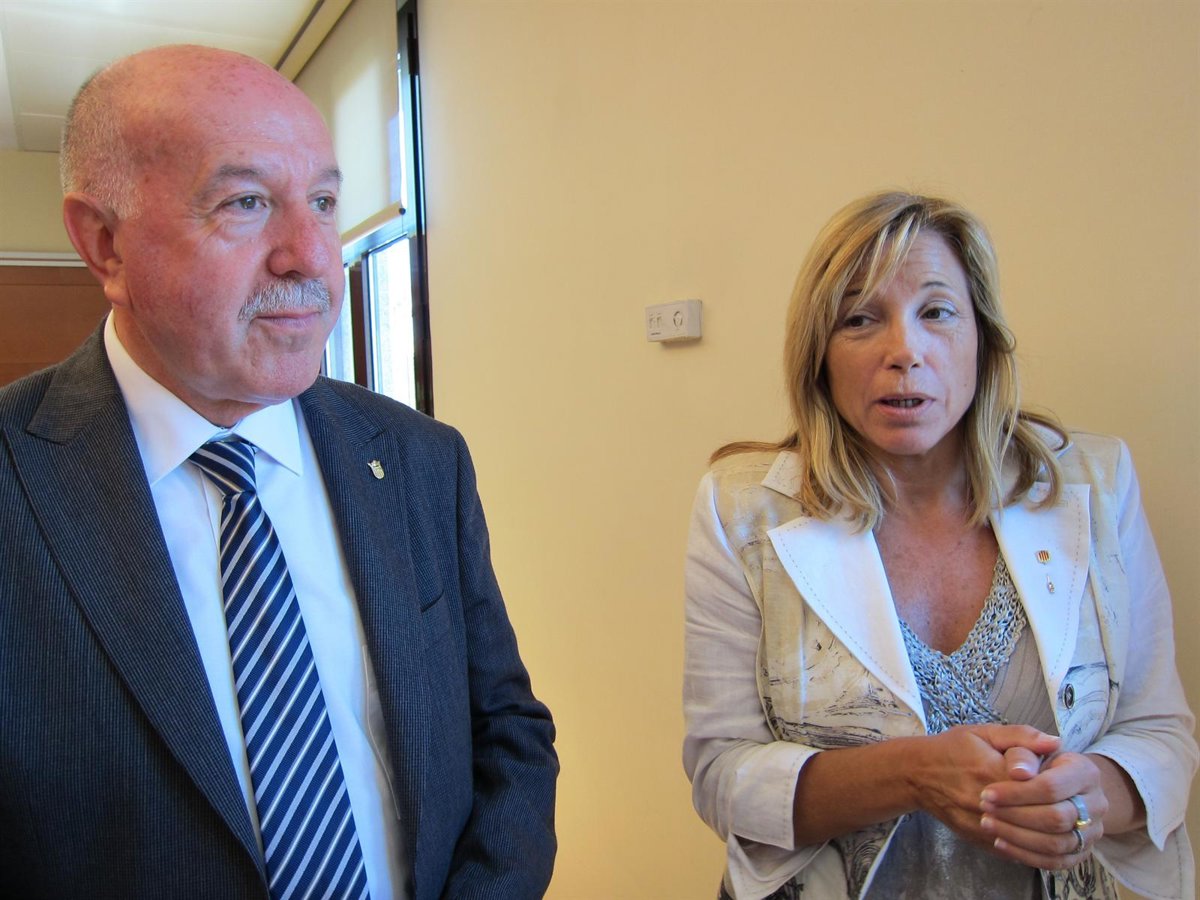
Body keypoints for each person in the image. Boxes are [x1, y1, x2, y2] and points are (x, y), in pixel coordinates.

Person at [0, 44, 557, 899]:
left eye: (324, 203)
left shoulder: (419, 459)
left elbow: (508, 734)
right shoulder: (19, 479)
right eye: (246, 203)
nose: (311, 256)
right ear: (105, 243)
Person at [682, 191, 1196, 899]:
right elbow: (721, 775)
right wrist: (914, 775)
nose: (904, 352)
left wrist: (1090, 797)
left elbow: (1160, 733)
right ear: (819, 355)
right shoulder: (743, 510)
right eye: (859, 319)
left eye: (937, 311)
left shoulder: (1095, 484)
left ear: (982, 336)